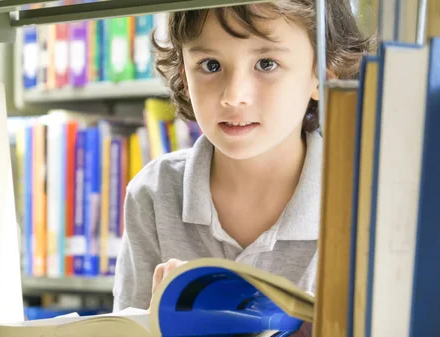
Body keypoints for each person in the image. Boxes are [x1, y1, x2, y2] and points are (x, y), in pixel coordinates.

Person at [113, 1, 374, 334]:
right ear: (183, 73)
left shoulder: (361, 198)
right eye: (210, 65)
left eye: (266, 64)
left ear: (322, 76)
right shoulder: (154, 193)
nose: (233, 96)